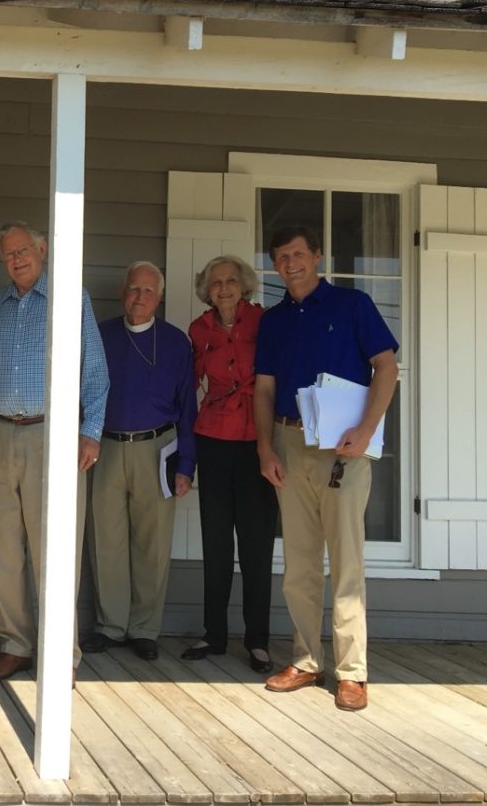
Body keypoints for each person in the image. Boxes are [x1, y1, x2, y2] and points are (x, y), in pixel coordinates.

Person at [256, 226, 397, 712]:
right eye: (280, 257)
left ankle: (352, 671)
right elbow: (264, 391)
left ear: (317, 256)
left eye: (298, 254)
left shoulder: (353, 305)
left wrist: (366, 428)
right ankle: (306, 659)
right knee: (298, 562)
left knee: (346, 560)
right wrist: (265, 449)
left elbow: (387, 367)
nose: (290, 263)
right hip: (290, 444)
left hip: (344, 447)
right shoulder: (273, 321)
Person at [0, 222, 109, 682]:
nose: (16, 260)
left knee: (57, 549)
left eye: (23, 250)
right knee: (4, 550)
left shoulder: (71, 299)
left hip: (55, 434)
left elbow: (95, 372)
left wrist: (89, 432)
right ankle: (15, 644)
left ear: (43, 250)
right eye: (7, 254)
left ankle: (60, 652)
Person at [83, 262, 196, 662]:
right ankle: (110, 625)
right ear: (122, 291)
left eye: (149, 291)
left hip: (158, 447)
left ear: (160, 297)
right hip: (106, 446)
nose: (140, 297)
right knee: (106, 540)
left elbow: (187, 407)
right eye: (134, 289)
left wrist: (186, 464)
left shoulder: (176, 342)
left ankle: (145, 628)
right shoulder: (100, 335)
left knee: (153, 541)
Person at [182, 255, 277, 673]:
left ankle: (257, 640)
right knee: (216, 542)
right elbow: (190, 383)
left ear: (244, 285)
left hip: (258, 439)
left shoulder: (265, 322)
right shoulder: (198, 330)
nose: (223, 287)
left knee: (256, 544)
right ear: (207, 289)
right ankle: (213, 633)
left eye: (231, 281)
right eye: (216, 282)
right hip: (214, 439)